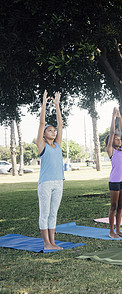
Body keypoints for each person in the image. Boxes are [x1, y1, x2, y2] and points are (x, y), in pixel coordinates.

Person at [36, 90, 65, 250]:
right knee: (44, 214)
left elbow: (60, 124)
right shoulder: (42, 146)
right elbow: (41, 123)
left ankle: (52, 242)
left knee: (53, 214)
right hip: (45, 184)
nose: (53, 132)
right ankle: (46, 243)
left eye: (54, 131)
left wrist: (57, 105)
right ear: (44, 134)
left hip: (59, 182)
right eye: (50, 130)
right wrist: (44, 103)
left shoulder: (58, 145)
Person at [105, 107, 122, 238]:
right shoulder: (111, 150)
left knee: (120, 206)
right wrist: (113, 117)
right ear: (112, 141)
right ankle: (111, 231)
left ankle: (119, 230)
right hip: (114, 181)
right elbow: (112, 132)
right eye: (116, 139)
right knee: (113, 207)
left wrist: (120, 117)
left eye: (120, 139)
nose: (119, 140)